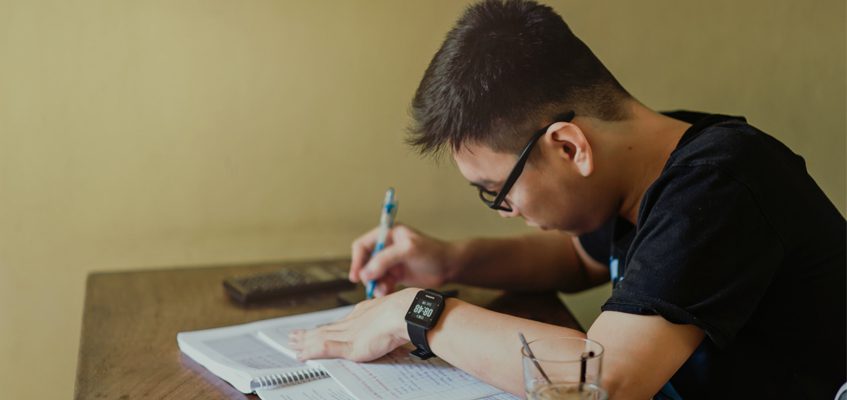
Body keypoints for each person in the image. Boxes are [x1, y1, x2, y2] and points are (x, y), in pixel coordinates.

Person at [287, 1, 846, 398]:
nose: (509, 213)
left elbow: (606, 380)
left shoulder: (721, 184)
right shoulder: (648, 160)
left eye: (497, 193)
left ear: (568, 147)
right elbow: (581, 260)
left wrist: (416, 312)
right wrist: (452, 260)